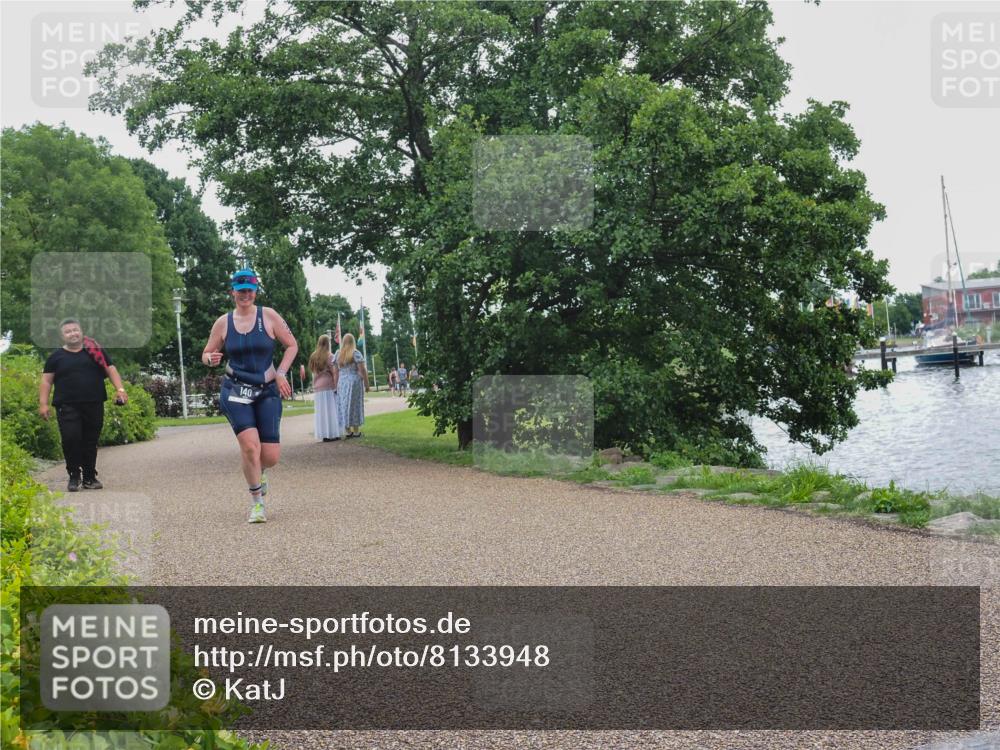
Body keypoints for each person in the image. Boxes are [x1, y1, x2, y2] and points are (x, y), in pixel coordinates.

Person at [202, 269, 297, 523]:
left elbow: (292, 345)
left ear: (255, 292)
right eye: (240, 290)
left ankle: (260, 470)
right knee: (249, 447)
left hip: (267, 389)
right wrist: (209, 359)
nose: (245, 294)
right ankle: (257, 503)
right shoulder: (223, 323)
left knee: (270, 457)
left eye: (249, 290)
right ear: (232, 292)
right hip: (235, 389)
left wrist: (281, 373)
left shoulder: (269, 316)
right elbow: (207, 352)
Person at [39, 318, 129, 492]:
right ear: (62, 336)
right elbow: (46, 381)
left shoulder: (95, 351)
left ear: (81, 331)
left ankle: (89, 476)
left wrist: (120, 389)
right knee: (70, 438)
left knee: (90, 440)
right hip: (66, 405)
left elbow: (110, 369)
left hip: (94, 402)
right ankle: (74, 475)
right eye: (68, 331)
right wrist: (43, 404)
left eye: (75, 330)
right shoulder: (56, 357)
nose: (72, 334)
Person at [308, 334, 342, 442]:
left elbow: (312, 371)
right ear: (328, 343)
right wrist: (336, 386)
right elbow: (335, 372)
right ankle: (333, 433)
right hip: (328, 386)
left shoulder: (313, 356)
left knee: (321, 412)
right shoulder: (330, 356)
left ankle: (325, 434)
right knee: (332, 411)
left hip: (318, 387)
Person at [335, 333, 368, 438]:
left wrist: (336, 385)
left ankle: (347, 430)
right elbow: (362, 370)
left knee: (343, 405)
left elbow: (336, 372)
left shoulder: (338, 354)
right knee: (355, 405)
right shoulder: (355, 353)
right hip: (354, 382)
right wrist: (367, 384)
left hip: (342, 382)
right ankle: (356, 431)